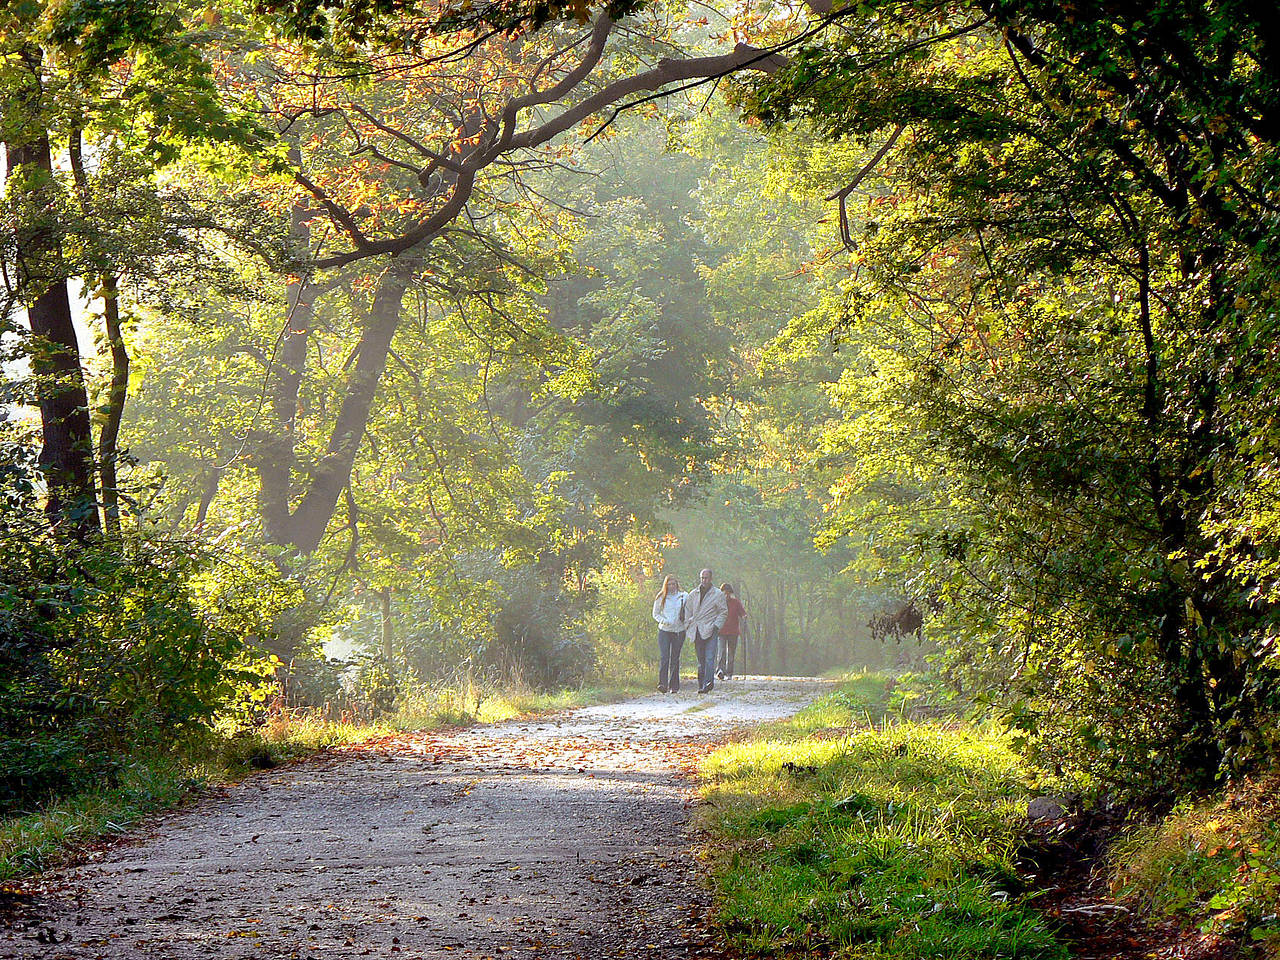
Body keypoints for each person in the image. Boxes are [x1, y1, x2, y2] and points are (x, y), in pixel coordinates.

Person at [684, 568, 727, 694]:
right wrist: (688, 624)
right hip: (697, 630)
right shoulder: (693, 594)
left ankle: (708, 683)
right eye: (702, 578)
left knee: (710, 657)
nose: (704, 580)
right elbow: (687, 610)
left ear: (711, 579)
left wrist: (716, 625)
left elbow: (723, 612)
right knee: (701, 659)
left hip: (711, 629)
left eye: (706, 578)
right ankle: (701, 683)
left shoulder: (717, 594)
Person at [652, 574, 687, 693]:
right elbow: (655, 614)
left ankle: (674, 686)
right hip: (665, 631)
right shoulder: (661, 596)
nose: (671, 586)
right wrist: (664, 621)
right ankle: (662, 684)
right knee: (664, 657)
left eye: (673, 584)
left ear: (677, 584)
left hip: (679, 631)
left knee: (675, 658)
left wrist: (687, 622)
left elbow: (689, 611)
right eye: (669, 584)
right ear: (665, 585)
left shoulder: (683, 596)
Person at [717, 583, 746, 680]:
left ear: (730, 593)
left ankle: (729, 673)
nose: (726, 595)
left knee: (731, 653)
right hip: (721, 631)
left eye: (728, 593)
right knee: (721, 651)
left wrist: (744, 616)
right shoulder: (718, 603)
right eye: (724, 593)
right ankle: (720, 670)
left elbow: (742, 612)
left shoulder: (736, 602)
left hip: (733, 631)